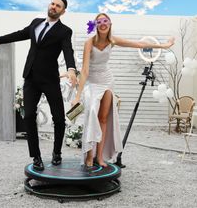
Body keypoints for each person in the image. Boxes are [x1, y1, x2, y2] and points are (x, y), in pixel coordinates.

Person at [0, 0, 77, 171]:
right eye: (53, 3)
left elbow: (67, 50)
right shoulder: (36, 23)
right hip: (31, 78)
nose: (54, 7)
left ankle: (57, 153)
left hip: (50, 79)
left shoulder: (64, 31)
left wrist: (71, 69)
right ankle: (36, 157)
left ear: (63, 11)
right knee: (29, 116)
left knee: (58, 118)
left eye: (58, 6)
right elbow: (19, 34)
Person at [71, 13, 174, 168]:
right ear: (96, 25)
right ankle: (89, 154)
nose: (103, 24)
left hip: (107, 81)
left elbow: (138, 44)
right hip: (92, 83)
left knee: (104, 118)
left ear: (110, 24)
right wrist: (77, 96)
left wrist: (163, 46)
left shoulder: (112, 40)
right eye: (99, 22)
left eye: (105, 21)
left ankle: (100, 157)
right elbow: (84, 71)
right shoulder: (89, 43)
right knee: (92, 113)